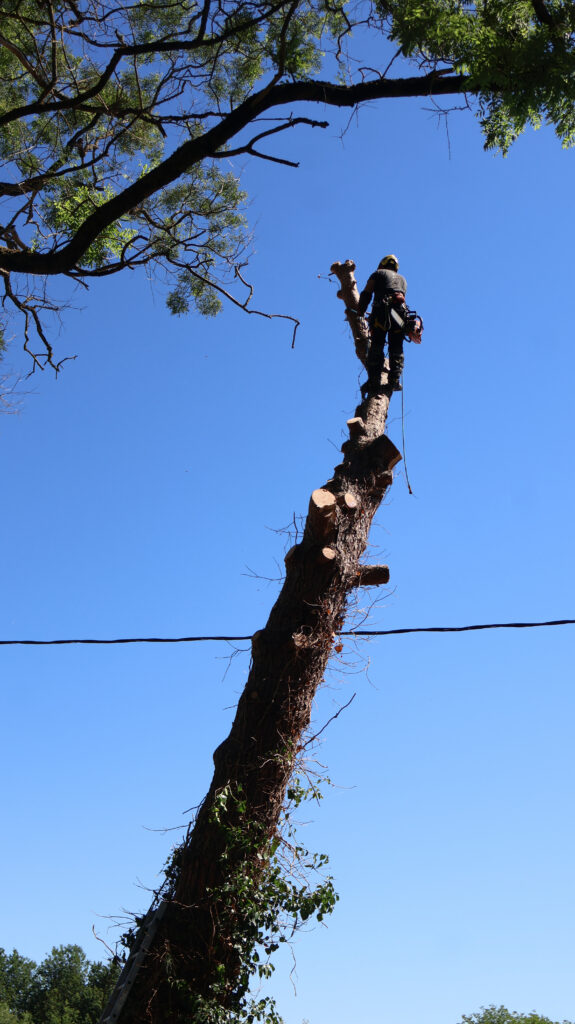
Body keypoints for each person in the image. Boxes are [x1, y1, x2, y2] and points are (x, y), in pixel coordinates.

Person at [354, 254, 422, 395]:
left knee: (376, 347)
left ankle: (374, 382)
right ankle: (394, 381)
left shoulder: (378, 273)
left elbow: (367, 293)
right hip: (399, 317)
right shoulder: (403, 280)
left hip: (382, 313)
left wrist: (360, 311)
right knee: (396, 348)